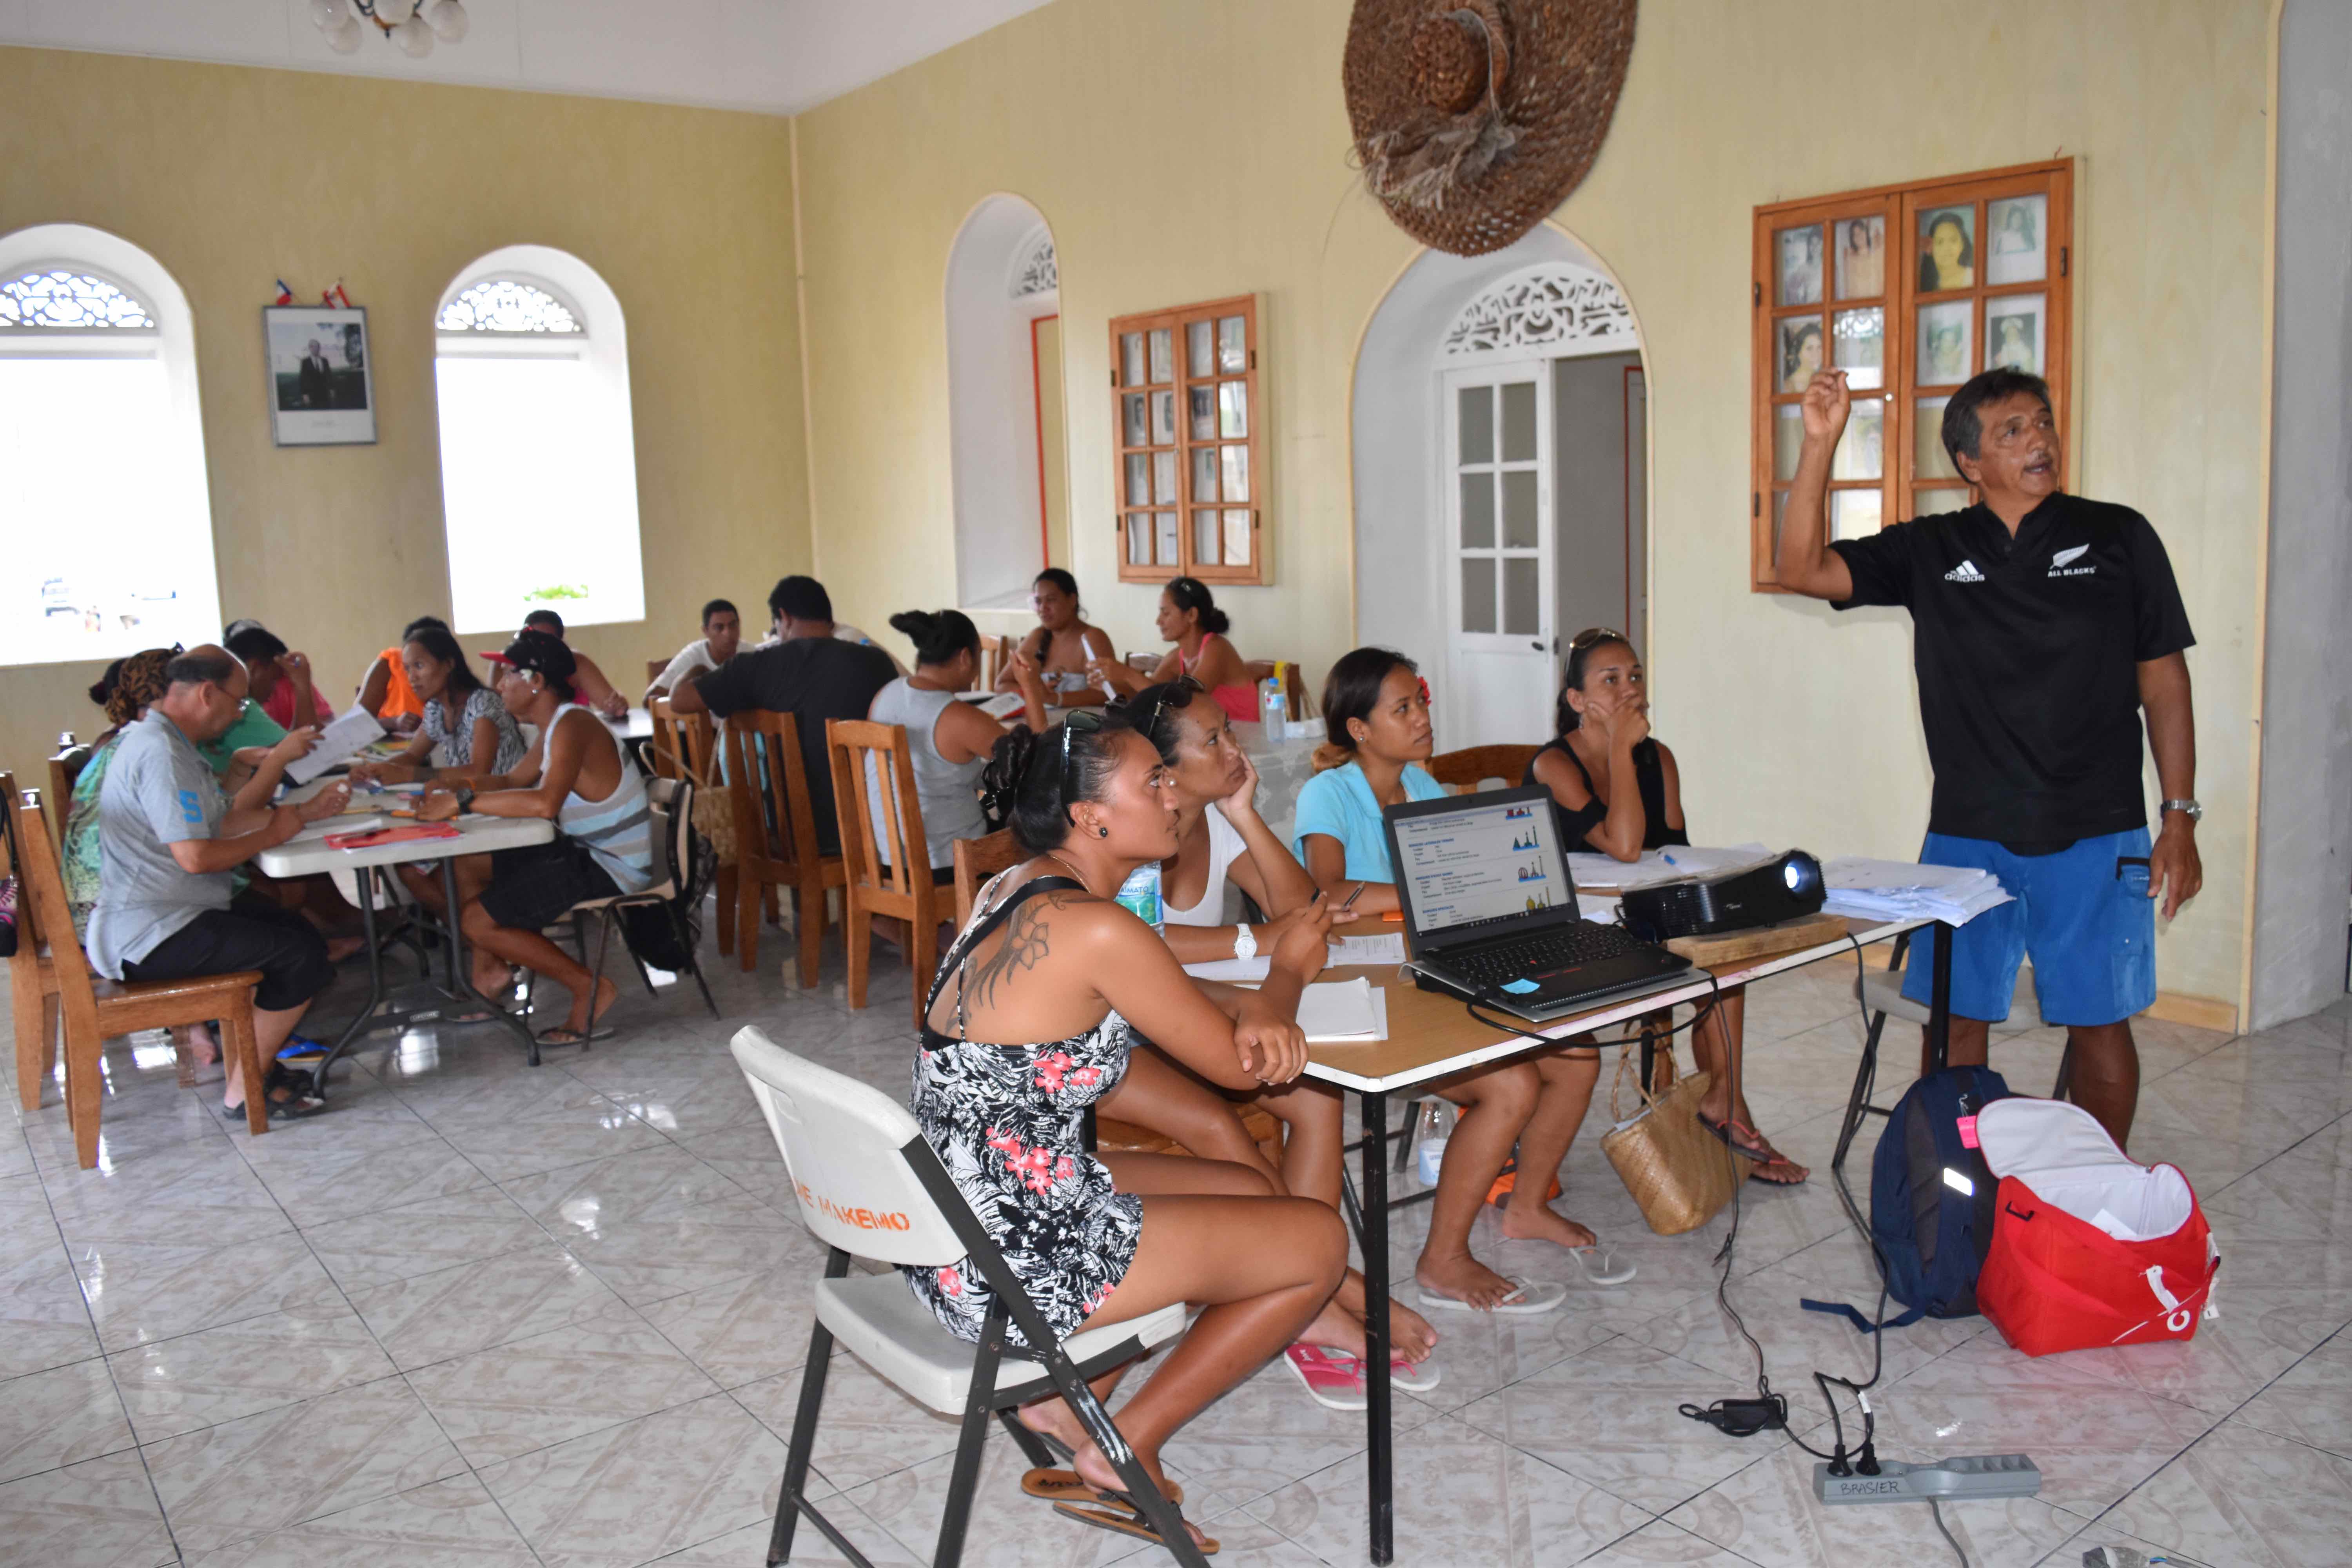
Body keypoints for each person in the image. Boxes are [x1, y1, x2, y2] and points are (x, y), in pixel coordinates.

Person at [915, 710, 1345, 1548]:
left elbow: (1095, 1039)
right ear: (1091, 817)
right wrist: (1289, 966)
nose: (1174, 792)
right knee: (1317, 1241)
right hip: (1014, 1261)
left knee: (1245, 1191)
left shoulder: (1013, 887)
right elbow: (1240, 1063)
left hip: (956, 1222)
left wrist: (1255, 987)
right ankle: (1124, 1445)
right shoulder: (1103, 928)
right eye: (1153, 781)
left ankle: (1060, 1396)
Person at [1773, 366, 2200, 1148]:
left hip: (2098, 829)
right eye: (2013, 431)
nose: (2039, 438)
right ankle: (1958, 1187)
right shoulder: (1931, 546)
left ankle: (2092, 1185)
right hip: (1969, 833)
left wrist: (2180, 814)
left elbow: (2164, 679)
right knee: (1955, 1021)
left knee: (2100, 1022)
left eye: (2043, 422)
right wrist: (1820, 443)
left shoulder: (2118, 535)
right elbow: (1801, 569)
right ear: (1970, 463)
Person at [1111, 677, 1442, 1387]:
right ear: (1162, 770)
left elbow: (1302, 909)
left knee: (1315, 1095)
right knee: (1226, 1132)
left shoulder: (1207, 815)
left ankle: (1305, 1279)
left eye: (1229, 734)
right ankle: (1329, 1289)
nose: (1235, 749)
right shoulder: (1133, 822)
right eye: (1216, 742)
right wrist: (1250, 940)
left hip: (1194, 1011)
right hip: (1129, 1032)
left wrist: (1245, 813)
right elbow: (1137, 949)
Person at [1295, 649, 1628, 1307]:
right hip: (1363, 983)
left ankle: (1526, 1205)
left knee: (1579, 1057)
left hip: (1426, 965)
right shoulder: (1327, 793)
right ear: (1359, 729)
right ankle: (1443, 1259)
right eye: (1404, 709)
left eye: (1420, 701)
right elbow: (1329, 893)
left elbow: (1463, 879)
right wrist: (1421, 893)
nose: (1423, 717)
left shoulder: (1422, 787)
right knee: (1512, 1084)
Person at [1527, 630, 1806, 1183]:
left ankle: (1727, 1099)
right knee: (1702, 957)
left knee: (1727, 958)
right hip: (1575, 930)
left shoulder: (1662, 758)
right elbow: (1626, 844)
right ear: (1577, 702)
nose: (1630, 690)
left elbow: (1673, 852)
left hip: (1637, 915)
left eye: (1635, 676)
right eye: (1611, 681)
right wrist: (1620, 753)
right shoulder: (1553, 766)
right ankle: (1726, 1107)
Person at [85, 647, 350, 1120]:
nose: (241, 713)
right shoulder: (160, 752)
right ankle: (246, 1088)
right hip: (148, 935)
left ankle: (255, 1067)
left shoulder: (167, 742)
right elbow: (195, 856)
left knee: (299, 933)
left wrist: (298, 816)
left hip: (170, 914)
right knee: (300, 955)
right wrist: (272, 832)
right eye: (241, 702)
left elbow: (219, 822)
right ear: (209, 694)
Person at [412, 632, 655, 1045]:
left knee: (475, 919)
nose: (500, 684)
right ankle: (490, 970)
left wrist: (463, 804)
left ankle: (588, 986)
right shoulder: (557, 724)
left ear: (537, 681)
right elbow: (512, 779)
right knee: (464, 864)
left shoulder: (573, 725)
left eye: (509, 674)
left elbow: (543, 803)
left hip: (608, 863)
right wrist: (448, 787)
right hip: (580, 850)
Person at [670, 576, 897, 859]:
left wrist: (698, 669)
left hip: (794, 835)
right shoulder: (877, 663)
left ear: (784, 618)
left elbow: (679, 700)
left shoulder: (757, 667)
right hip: (877, 825)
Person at [866, 610, 1049, 877]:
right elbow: (1040, 762)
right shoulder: (958, 717)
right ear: (965, 657)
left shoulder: (885, 695)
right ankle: (1005, 917)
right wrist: (1031, 686)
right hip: (947, 860)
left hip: (884, 858)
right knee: (1043, 841)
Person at [1090, 577, 1258, 725]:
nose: (1158, 621)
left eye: (1166, 613)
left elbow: (1186, 703)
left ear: (1192, 615)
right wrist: (1109, 684)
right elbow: (1146, 696)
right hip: (1210, 741)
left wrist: (1128, 674)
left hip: (1244, 742)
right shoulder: (1177, 656)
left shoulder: (1217, 647)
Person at [995, 568, 1114, 706]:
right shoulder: (1037, 637)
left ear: (1072, 600)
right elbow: (1001, 685)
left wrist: (1055, 698)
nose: (1043, 608)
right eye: (1038, 601)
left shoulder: (1093, 638)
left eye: (1051, 600)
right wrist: (1033, 691)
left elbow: (1107, 693)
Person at [751, 575, 910, 676]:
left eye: (777, 627)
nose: (781, 639)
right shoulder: (837, 640)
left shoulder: (848, 642)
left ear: (785, 619)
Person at [518, 610, 630, 720]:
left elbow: (610, 703)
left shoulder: (576, 663)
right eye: (534, 640)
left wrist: (617, 705)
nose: (541, 647)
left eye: (548, 641)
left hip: (576, 732)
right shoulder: (512, 666)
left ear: (561, 643)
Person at [224, 620, 328, 730]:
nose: (273, 691)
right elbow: (305, 741)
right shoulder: (242, 710)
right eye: (274, 680)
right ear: (254, 668)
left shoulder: (235, 704)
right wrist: (302, 685)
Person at [358, 615, 446, 733]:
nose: (412, 677)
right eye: (407, 667)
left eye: (420, 665)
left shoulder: (459, 688)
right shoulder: (390, 664)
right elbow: (357, 724)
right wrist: (394, 723)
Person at [644, 599, 742, 704]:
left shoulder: (749, 653)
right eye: (719, 628)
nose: (728, 633)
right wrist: (693, 694)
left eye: (733, 625)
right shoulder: (691, 657)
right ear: (705, 631)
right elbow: (649, 699)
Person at [1919, 211, 1975, 292]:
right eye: (1940, 242)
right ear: (1930, 248)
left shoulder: (1974, 278)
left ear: (1962, 244)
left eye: (1953, 240)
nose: (1947, 248)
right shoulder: (1923, 285)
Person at [1839, 216, 1884, 298]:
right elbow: (1849, 290)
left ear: (1867, 232)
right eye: (1855, 235)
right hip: (1858, 305)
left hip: (1879, 304)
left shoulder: (1878, 253)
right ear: (1852, 239)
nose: (1859, 236)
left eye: (1861, 231)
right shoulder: (1851, 260)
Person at [1781, 321, 1824, 394]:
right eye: (1810, 348)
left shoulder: (1823, 382)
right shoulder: (1789, 386)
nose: (1816, 354)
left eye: (1819, 347)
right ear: (1799, 353)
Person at [298, 339, 331, 408]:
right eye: (314, 347)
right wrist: (305, 394)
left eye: (318, 347)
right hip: (312, 395)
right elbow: (303, 379)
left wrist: (332, 389)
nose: (317, 349)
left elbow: (329, 376)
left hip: (325, 394)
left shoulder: (325, 361)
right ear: (310, 348)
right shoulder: (305, 362)